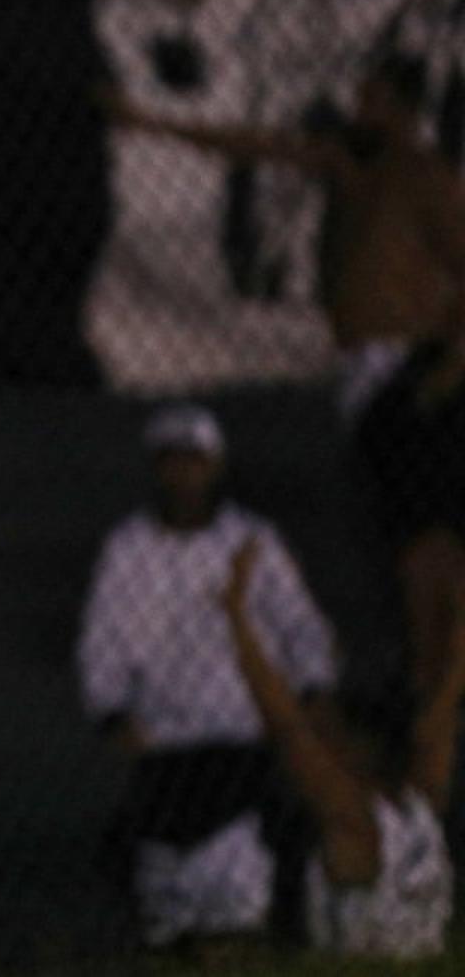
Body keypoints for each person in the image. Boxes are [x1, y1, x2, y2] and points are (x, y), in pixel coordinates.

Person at [116, 55, 465, 695]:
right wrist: (154, 123)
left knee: (425, 538)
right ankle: (427, 672)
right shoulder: (350, 166)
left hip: (409, 371)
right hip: (371, 373)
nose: (358, 108)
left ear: (402, 107)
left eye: (372, 98)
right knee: (401, 529)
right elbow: (262, 146)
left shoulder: (426, 180)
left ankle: (433, 679)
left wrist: (447, 365)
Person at [78, 404, 338, 953]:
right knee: (161, 863)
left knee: (256, 853)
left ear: (215, 465)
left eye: (194, 462)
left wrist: (312, 687)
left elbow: (301, 623)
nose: (183, 475)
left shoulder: (252, 539)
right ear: (156, 469)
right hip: (165, 738)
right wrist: (111, 713)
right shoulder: (128, 547)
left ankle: (260, 935)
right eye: (171, 462)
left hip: (247, 731)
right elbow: (101, 641)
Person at [220, 541, 461, 959]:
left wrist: (236, 616)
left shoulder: (353, 816)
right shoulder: (422, 796)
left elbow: (286, 727)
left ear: (363, 747)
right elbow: (443, 704)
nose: (327, 745)